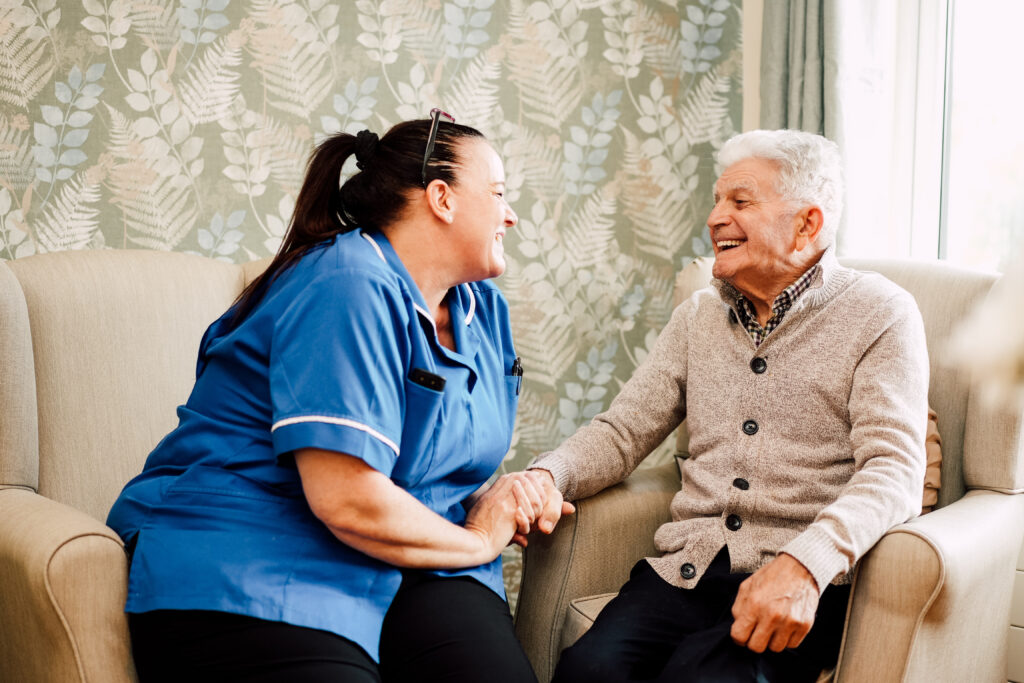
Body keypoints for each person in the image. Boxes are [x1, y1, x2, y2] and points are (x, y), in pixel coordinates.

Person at [107, 111, 568, 682]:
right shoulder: (347, 280)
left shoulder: (483, 309)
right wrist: (478, 539)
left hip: (411, 555)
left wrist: (520, 492)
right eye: (498, 193)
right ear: (442, 198)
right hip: (258, 547)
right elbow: (347, 500)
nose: (511, 214)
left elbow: (453, 460)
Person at [518, 129, 930, 682]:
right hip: (687, 571)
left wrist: (807, 562)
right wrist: (547, 476)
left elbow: (895, 469)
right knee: (589, 671)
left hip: (802, 581)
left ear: (807, 223)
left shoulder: (881, 313)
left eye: (739, 201)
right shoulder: (698, 316)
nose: (715, 218)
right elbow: (621, 433)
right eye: (716, 201)